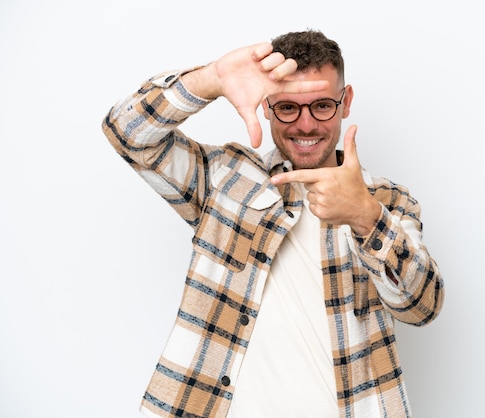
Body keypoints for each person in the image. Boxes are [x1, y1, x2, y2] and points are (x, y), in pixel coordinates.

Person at [102, 29, 444, 418]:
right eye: (288, 108)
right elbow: (127, 134)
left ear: (345, 102)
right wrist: (209, 79)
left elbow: (423, 307)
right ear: (266, 105)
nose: (306, 125)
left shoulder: (387, 202)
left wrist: (365, 217)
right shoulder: (225, 180)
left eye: (322, 106)